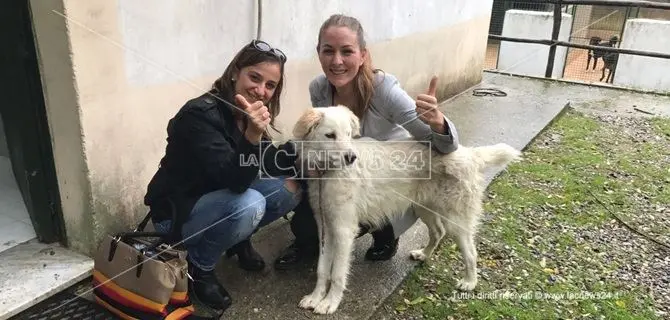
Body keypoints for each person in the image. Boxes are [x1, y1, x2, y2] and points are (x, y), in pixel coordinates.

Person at [274, 14, 460, 270]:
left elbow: (445, 146)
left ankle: (385, 231)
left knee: (352, 218)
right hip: (345, 172)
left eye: (346, 51)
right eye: (328, 51)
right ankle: (309, 242)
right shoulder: (319, 88)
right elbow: (320, 142)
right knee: (305, 226)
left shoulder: (384, 90)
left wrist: (438, 122)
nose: (336, 61)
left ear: (362, 55)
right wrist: (306, 166)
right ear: (318, 53)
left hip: (387, 180)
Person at [143, 39, 301, 312]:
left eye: (270, 85)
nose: (260, 90)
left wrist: (307, 152)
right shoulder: (200, 114)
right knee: (250, 203)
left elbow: (267, 162)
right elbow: (236, 182)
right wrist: (252, 135)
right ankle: (198, 267)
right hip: (177, 216)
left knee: (290, 188)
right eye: (254, 77)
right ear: (234, 73)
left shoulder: (244, 114)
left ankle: (238, 239)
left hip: (218, 204)